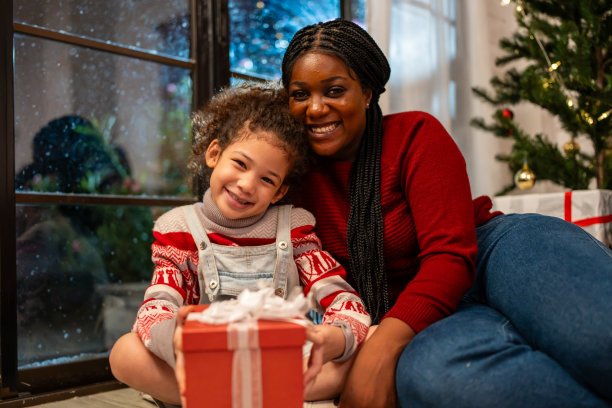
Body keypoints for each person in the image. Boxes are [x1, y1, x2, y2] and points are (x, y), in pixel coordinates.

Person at [279, 18, 612, 408]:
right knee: (437, 379)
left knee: (594, 335)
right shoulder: (286, 175)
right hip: (424, 310)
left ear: (367, 92)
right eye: (300, 95)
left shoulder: (414, 133)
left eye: (334, 90)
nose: (315, 108)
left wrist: (381, 346)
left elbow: (450, 256)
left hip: (495, 253)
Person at [109, 84, 371, 408]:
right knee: (124, 353)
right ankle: (259, 397)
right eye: (241, 164)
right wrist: (174, 340)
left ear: (278, 192)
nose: (246, 185)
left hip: (284, 362)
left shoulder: (295, 229)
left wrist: (334, 338)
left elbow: (343, 299)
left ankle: (224, 398)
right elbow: (155, 308)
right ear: (214, 154)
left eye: (267, 179)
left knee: (371, 340)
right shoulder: (179, 230)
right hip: (206, 363)